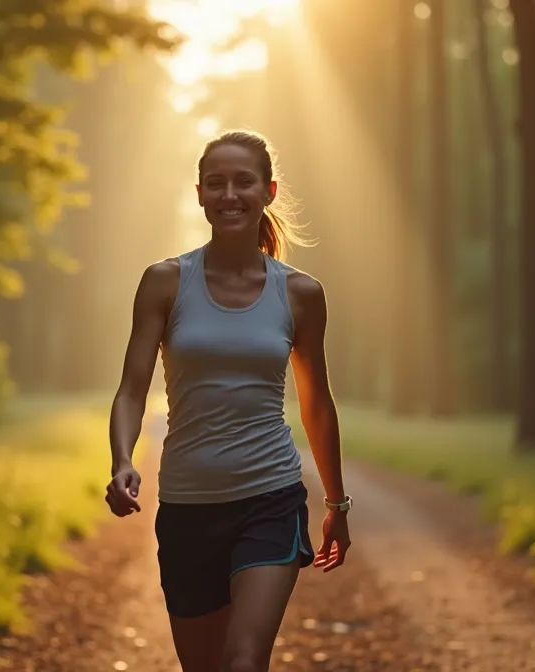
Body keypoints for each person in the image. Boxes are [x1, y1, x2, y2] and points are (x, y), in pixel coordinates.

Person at [104, 129, 352, 672]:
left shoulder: (300, 294)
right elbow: (131, 390)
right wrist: (123, 460)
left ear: (268, 190)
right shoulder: (165, 282)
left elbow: (317, 404)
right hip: (187, 507)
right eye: (216, 184)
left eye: (244, 182)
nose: (230, 194)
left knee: (244, 661)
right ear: (199, 194)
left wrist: (336, 504)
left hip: (270, 498)